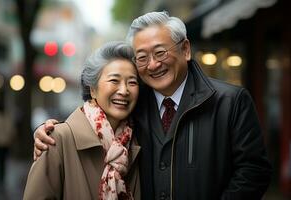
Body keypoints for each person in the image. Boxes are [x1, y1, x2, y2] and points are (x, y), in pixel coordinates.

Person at [33, 11, 272, 200]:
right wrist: (47, 131)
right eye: (142, 57)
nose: (153, 64)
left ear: (186, 49)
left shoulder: (230, 101)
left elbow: (253, 172)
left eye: (160, 52)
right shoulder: (132, 103)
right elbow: (92, 121)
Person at [24, 41, 141, 200]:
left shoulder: (136, 140)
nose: (124, 90)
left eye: (132, 82)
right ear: (92, 89)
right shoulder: (56, 139)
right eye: (114, 80)